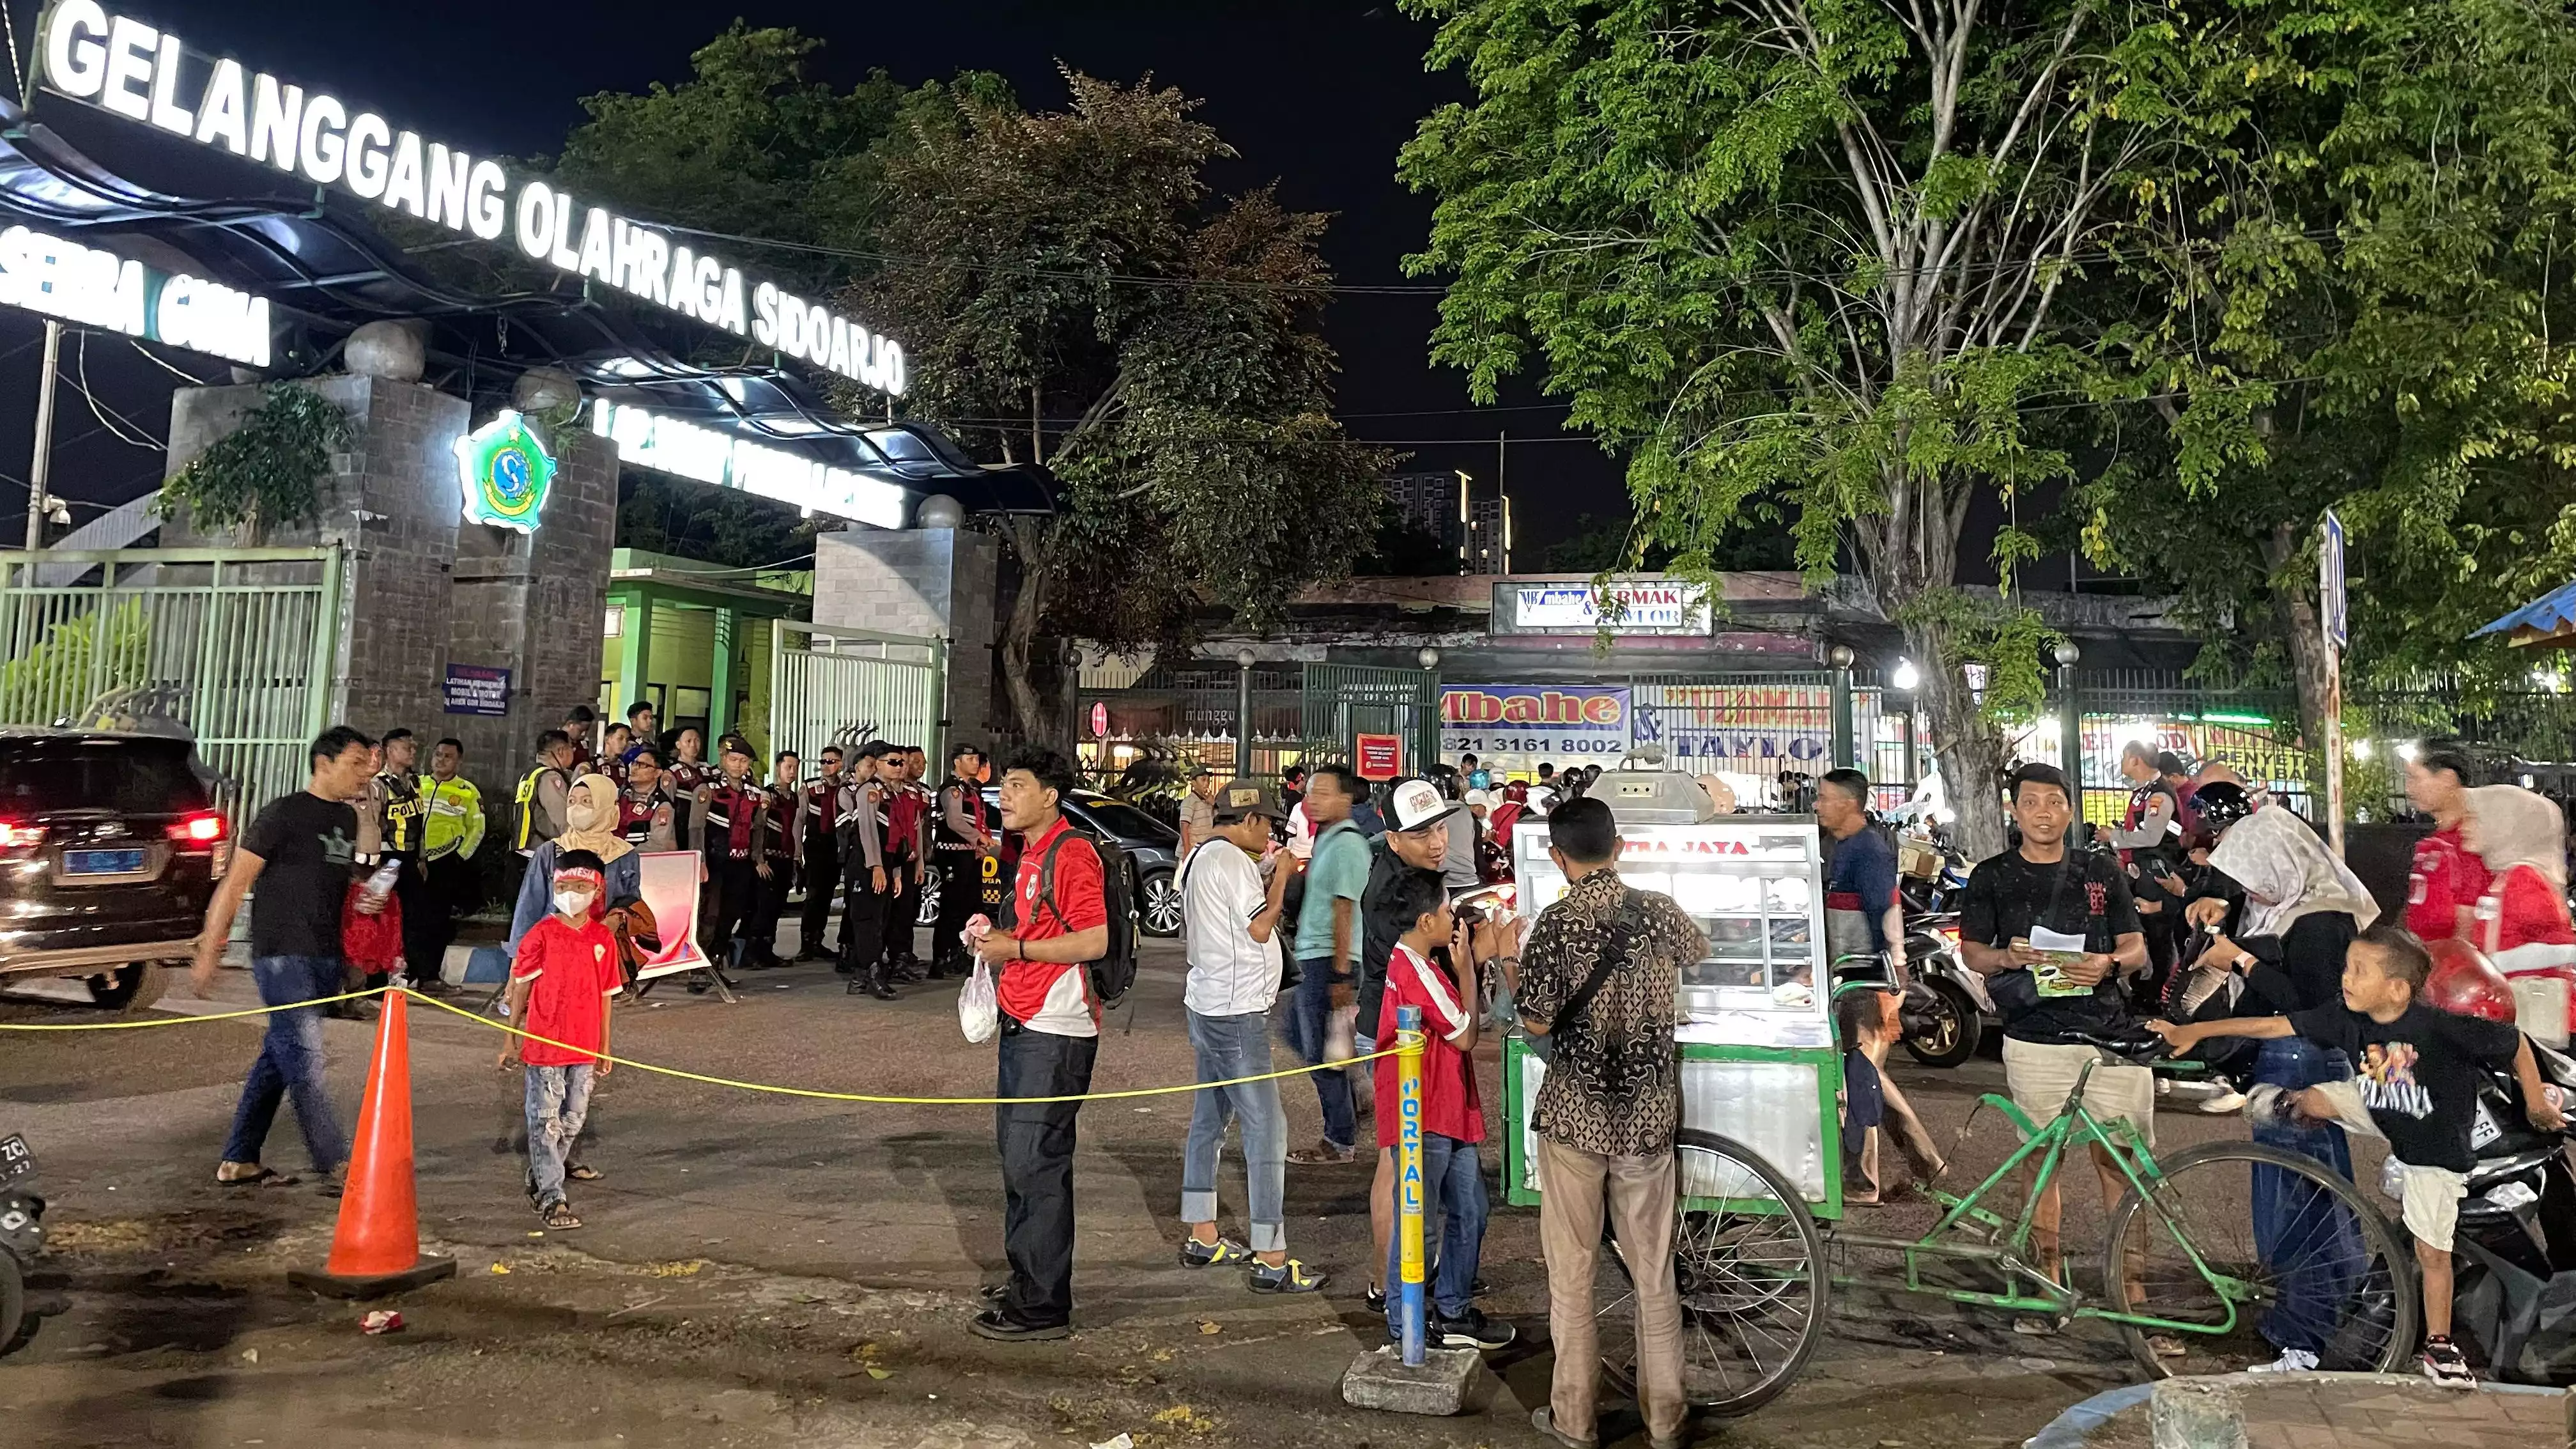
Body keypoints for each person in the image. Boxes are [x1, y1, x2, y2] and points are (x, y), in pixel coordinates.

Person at [2152, 924, 2565, 1384]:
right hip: (2377, 1103)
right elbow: (2274, 1024)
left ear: (2396, 988)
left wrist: (2534, 1102)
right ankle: (2294, 1103)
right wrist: (2194, 1030)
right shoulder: (2346, 1019)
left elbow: (2514, 1043)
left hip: (2430, 1150)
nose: (2345, 978)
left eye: (2359, 971)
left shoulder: (2438, 1028)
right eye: (2346, 967)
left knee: (2432, 1252)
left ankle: (2439, 1346)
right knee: (2321, 1097)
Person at [1518, 795, 1702, 1449]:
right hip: (1647, 1114)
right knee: (1653, 1270)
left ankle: (1574, 1418)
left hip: (1576, 1115)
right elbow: (1699, 947)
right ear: (1618, 845)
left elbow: (1535, 1020)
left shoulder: (1556, 921)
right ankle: (1665, 1419)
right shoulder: (1658, 908)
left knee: (1571, 1272)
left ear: (1556, 854)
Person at [2179, 798, 2380, 1371]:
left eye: (2256, 877)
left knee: (2300, 1206)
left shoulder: (2318, 921)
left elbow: (2312, 1007)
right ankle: (2325, 1327)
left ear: (2282, 864)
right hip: (2289, 1063)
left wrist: (2241, 961)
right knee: (2305, 1198)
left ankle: (2309, 1338)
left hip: (2302, 1066)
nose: (2253, 891)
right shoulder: (2293, 904)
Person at [1955, 763, 2150, 1321]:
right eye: (2031, 801)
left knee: (2122, 1165)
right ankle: (2046, 1284)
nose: (2043, 811)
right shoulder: (1991, 876)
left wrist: (2108, 962)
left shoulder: (2101, 868)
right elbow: (1972, 952)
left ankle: (2132, 1296)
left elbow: (2134, 946)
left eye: (2054, 801)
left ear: (2070, 809)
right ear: (2013, 810)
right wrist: (2006, 957)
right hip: (2034, 1037)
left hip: (2108, 1031)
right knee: (2041, 1159)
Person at [968, 746, 1111, 1341]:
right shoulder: (1032, 852)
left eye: (1019, 784)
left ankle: (1042, 1306)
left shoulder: (1071, 851)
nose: (1006, 794)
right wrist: (997, 937)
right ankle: (1029, 1279)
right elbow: (1041, 926)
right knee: (1021, 1163)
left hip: (1056, 1029)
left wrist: (1016, 950)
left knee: (1038, 1167)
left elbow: (1095, 939)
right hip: (1026, 1020)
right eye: (1004, 784)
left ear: (1050, 796)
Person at [192, 725, 374, 1189]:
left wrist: (363, 899)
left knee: (280, 1056)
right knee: (306, 1060)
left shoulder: (349, 820)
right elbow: (235, 882)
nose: (364, 771)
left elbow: (332, 882)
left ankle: (239, 1158)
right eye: (355, 762)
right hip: (281, 955)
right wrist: (211, 949)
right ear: (323, 763)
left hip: (323, 955)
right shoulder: (282, 814)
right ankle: (335, 1162)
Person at [1175, 780, 1325, 1291]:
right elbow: (1260, 927)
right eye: (1268, 824)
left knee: (1209, 1119)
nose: (1270, 835)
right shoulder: (1235, 861)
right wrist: (1280, 876)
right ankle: (1271, 1256)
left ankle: (1201, 1233)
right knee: (1267, 1131)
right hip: (1236, 1015)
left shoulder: (1199, 855)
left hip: (1207, 1002)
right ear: (1251, 821)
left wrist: (1264, 871)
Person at [1372, 871, 1514, 1351]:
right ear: (1426, 918)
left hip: (1445, 1107)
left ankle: (1451, 1311)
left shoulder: (1421, 963)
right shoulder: (1413, 969)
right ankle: (1404, 1322)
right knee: (1420, 1221)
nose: (1455, 918)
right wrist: (1470, 969)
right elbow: (1466, 1035)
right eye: (1449, 910)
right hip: (1424, 1112)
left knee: (1470, 1208)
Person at [1354, 779, 1462, 1308]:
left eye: (1440, 827)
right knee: (1398, 1162)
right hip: (1396, 1031)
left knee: (1403, 1158)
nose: (1436, 840)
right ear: (1393, 839)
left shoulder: (1416, 878)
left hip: (1410, 1027)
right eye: (1420, 833)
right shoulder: (1393, 894)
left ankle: (1402, 1277)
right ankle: (1387, 1283)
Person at [1816, 768, 1944, 1198]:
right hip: (1851, 973)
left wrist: (1894, 972)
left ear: (1848, 803)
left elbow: (1887, 908)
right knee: (1869, 1076)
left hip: (1865, 978)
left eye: (1824, 797)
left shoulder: (1867, 849)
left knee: (1857, 1077)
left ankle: (1861, 1181)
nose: (1817, 804)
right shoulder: (1842, 846)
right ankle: (1927, 1165)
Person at [498, 848, 621, 1228]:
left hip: (583, 1049)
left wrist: (604, 1047)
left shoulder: (603, 940)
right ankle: (552, 1197)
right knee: (545, 1121)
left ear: (597, 890)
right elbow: (520, 989)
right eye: (564, 884)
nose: (571, 891)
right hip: (544, 1047)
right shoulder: (539, 936)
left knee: (573, 1119)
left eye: (580, 885)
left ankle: (541, 1175)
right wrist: (510, 1039)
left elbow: (605, 997)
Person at [1287, 765, 1369, 1165]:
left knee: (1321, 1053)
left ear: (1346, 798)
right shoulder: (1328, 838)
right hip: (1314, 955)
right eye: (1310, 792)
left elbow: (1344, 909)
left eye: (1322, 793)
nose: (1312, 799)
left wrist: (1340, 974)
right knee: (1309, 1041)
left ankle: (1339, 1140)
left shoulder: (1348, 844)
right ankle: (1355, 1091)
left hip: (1328, 959)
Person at [2464, 784, 2576, 1037]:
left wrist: (2490, 965)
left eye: (2475, 819)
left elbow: (2561, 949)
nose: (2464, 827)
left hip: (2540, 1021)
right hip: (2519, 1014)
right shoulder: (2504, 877)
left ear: (2505, 825)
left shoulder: (2523, 879)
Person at [508, 775, 643, 953]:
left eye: (587, 801)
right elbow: (528, 908)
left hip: (603, 953)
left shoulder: (625, 855)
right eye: (571, 801)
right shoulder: (550, 852)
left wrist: (617, 919)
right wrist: (518, 959)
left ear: (606, 806)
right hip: (553, 951)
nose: (576, 808)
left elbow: (632, 902)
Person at [2108, 741, 2187, 1005]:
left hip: (2157, 875)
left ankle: (2157, 997)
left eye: (2124, 756)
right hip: (2141, 873)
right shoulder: (2144, 792)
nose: (2121, 761)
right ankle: (2144, 992)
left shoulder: (2158, 794)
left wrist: (2115, 837)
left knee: (2158, 936)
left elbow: (2152, 836)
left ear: (2136, 760)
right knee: (2143, 932)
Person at [359, 728, 428, 994]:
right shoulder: (378, 784)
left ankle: (406, 971)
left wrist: (421, 856)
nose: (412, 752)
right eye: (406, 747)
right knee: (383, 916)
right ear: (389, 750)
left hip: (410, 857)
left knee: (412, 917)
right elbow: (373, 824)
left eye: (413, 747)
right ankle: (376, 976)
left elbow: (419, 823)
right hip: (387, 858)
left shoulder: (415, 782)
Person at [415, 737, 486, 990]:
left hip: (444, 863)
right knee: (412, 918)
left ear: (459, 762)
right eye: (437, 754)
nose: (440, 760)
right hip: (414, 861)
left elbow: (477, 829)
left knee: (438, 921)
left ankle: (430, 976)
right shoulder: (417, 785)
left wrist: (459, 858)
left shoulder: (467, 792)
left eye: (448, 756)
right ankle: (406, 971)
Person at [2403, 745, 2487, 943]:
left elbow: (2469, 922)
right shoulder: (2432, 844)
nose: (2408, 788)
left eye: (2415, 778)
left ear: (2447, 779)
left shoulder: (2473, 841)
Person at [837, 743, 900, 998]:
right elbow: (867, 830)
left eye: (901, 762)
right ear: (878, 764)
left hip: (882, 863)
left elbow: (896, 837)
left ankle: (860, 977)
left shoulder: (889, 794)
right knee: (866, 919)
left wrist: (894, 871)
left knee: (880, 919)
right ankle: (872, 974)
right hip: (865, 864)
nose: (899, 767)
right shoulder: (869, 790)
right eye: (893, 762)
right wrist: (876, 866)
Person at [935, 744, 999, 979]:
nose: (975, 763)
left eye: (977, 758)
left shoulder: (971, 789)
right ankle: (942, 958)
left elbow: (979, 819)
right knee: (952, 907)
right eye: (970, 758)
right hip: (953, 854)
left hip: (969, 854)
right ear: (957, 762)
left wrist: (980, 844)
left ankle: (960, 953)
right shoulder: (952, 789)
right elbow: (955, 822)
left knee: (969, 907)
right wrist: (979, 838)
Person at [741, 750, 803, 968]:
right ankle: (751, 953)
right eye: (788, 767)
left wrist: (796, 859)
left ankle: (768, 951)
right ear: (778, 768)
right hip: (768, 859)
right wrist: (758, 859)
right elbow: (758, 827)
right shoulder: (767, 795)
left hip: (785, 859)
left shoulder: (793, 797)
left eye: (796, 767)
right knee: (762, 908)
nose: (792, 772)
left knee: (776, 909)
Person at [796, 746, 847, 963]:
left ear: (841, 764)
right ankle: (806, 944)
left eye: (832, 761)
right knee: (814, 895)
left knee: (827, 895)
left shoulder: (846, 787)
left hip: (836, 844)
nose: (828, 766)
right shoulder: (809, 787)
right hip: (816, 844)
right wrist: (797, 853)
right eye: (824, 761)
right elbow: (800, 820)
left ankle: (818, 941)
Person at [884, 746, 930, 980]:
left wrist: (920, 862)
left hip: (910, 861)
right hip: (889, 862)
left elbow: (917, 830)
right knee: (886, 915)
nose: (902, 767)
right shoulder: (881, 793)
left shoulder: (913, 795)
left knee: (905, 913)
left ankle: (900, 960)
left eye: (904, 763)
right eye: (898, 762)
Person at [514, 729, 578, 856]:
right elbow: (562, 819)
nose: (573, 752)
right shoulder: (551, 777)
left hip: (522, 849)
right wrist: (577, 845)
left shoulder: (529, 775)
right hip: (540, 854)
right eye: (571, 748)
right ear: (561, 751)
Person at [613, 748, 679, 853]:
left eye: (642, 765)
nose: (634, 768)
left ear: (657, 773)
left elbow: (658, 845)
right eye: (634, 763)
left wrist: (621, 852)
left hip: (641, 862)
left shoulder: (662, 806)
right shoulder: (621, 795)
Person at [1180, 767, 1220, 856]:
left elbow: (1218, 821)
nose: (1207, 784)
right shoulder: (1189, 802)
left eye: (1208, 781)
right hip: (1192, 851)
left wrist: (1214, 805)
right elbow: (1184, 828)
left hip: (1203, 850)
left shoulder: (1209, 801)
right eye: (1203, 780)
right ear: (1194, 783)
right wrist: (1187, 852)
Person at [562, 705, 598, 772]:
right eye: (581, 731)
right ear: (570, 724)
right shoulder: (557, 742)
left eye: (587, 731)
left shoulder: (583, 743)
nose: (584, 734)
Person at [622, 702, 656, 766]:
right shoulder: (625, 744)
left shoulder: (649, 744)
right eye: (645, 718)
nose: (650, 721)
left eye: (651, 718)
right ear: (633, 720)